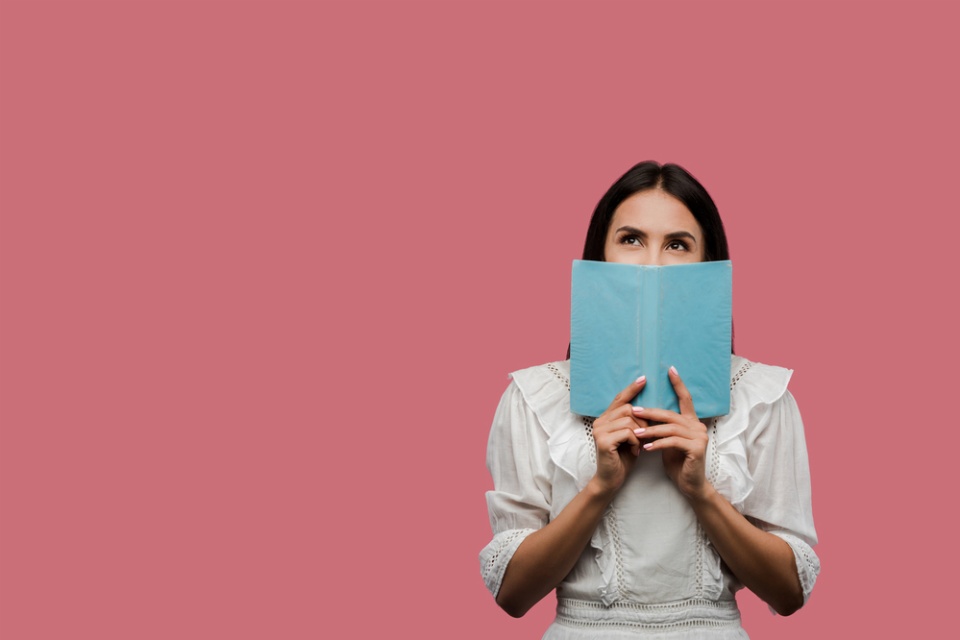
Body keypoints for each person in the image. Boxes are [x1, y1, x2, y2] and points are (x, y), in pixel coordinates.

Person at [479, 162, 819, 639]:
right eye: (631, 239)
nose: (653, 263)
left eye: (678, 244)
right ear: (600, 253)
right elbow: (513, 595)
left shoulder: (762, 397)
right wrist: (600, 485)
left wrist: (701, 490)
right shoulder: (534, 397)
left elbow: (789, 593)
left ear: (708, 264)